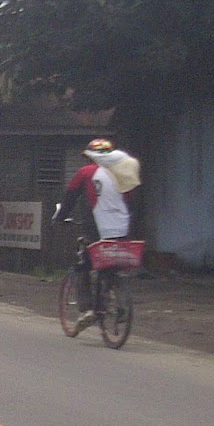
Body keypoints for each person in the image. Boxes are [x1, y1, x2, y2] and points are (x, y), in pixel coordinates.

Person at [51, 138, 140, 326]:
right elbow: (131, 200)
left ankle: (87, 309)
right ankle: (118, 298)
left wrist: (60, 217)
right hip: (122, 227)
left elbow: (70, 197)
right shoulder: (123, 172)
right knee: (113, 261)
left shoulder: (85, 172)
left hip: (96, 227)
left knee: (84, 264)